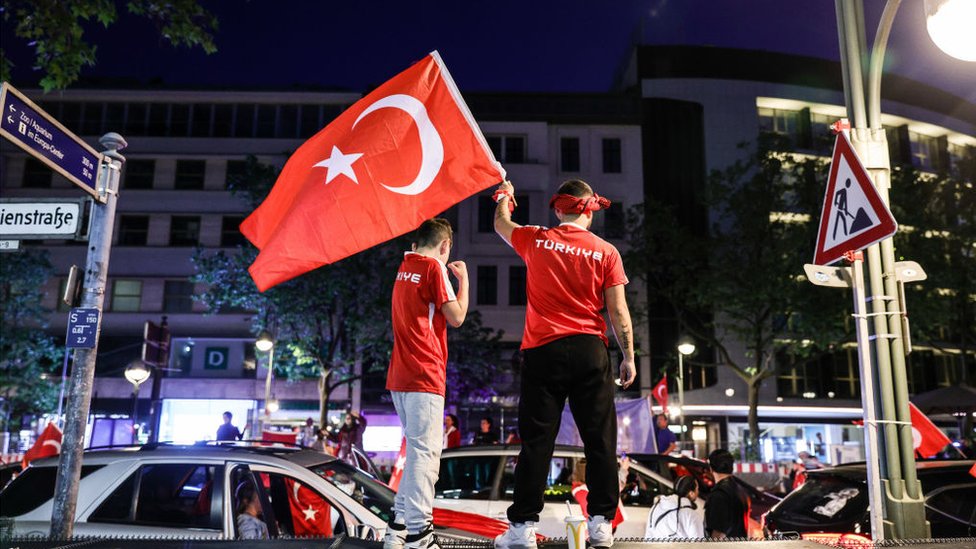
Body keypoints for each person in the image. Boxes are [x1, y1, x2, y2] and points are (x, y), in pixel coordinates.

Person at [492, 179, 636, 549]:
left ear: (558, 209)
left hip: (543, 350)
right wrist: (629, 356)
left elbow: (501, 224)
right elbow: (618, 310)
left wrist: (505, 197)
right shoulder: (606, 251)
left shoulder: (536, 239)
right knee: (600, 440)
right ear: (591, 211)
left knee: (537, 442)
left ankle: (522, 528)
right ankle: (601, 525)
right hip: (591, 349)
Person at [383, 218, 469, 549]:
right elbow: (457, 317)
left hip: (401, 375)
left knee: (418, 454)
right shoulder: (434, 268)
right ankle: (420, 535)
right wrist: (464, 281)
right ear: (445, 246)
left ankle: (398, 529)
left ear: (416, 244)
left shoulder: (405, 266)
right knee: (426, 457)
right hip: (424, 373)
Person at [704, 449, 750, 539]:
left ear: (711, 469)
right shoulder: (741, 491)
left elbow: (718, 534)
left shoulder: (718, 495)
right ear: (731, 468)